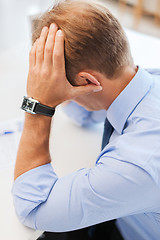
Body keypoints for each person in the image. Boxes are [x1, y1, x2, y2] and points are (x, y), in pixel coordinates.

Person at [12, 0, 160, 239]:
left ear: (87, 82)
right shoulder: (145, 81)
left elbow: (32, 208)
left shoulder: (137, 164)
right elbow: (88, 114)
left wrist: (37, 103)